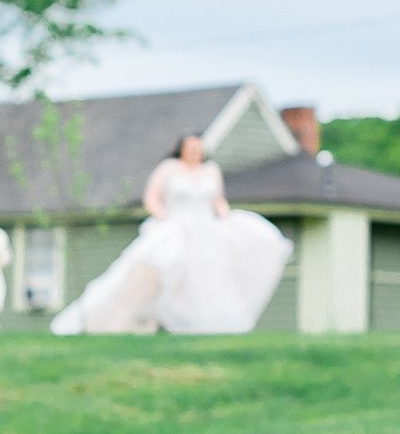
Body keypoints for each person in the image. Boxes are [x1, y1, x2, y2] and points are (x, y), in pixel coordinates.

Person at [51, 133, 291, 335]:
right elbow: (152, 196)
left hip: (206, 232)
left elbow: (218, 200)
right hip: (175, 227)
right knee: (160, 267)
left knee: (208, 279)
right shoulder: (169, 169)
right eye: (191, 147)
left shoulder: (211, 170)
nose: (195, 151)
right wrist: (163, 218)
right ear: (182, 149)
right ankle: (131, 320)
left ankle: (204, 324)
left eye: (199, 147)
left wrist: (225, 217)